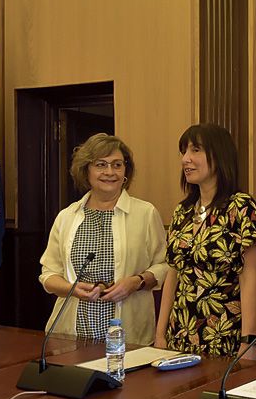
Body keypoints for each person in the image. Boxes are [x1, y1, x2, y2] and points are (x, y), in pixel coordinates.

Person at [39, 133, 168, 345]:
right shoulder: (67, 216)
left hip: (129, 337)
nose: (110, 172)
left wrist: (136, 282)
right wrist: (72, 290)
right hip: (72, 335)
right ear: (86, 170)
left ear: (126, 171)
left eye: (117, 165)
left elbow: (165, 266)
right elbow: (48, 274)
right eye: (101, 164)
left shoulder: (145, 213)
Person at [155, 123, 256, 357]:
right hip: (179, 335)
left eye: (195, 150)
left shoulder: (241, 207)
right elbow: (173, 275)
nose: (185, 159)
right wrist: (160, 334)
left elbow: (249, 279)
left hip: (223, 335)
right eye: (183, 151)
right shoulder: (181, 211)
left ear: (219, 156)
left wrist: (248, 341)